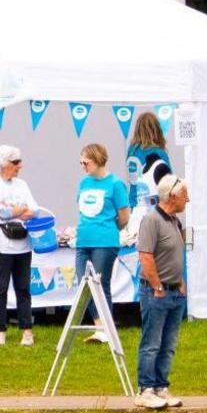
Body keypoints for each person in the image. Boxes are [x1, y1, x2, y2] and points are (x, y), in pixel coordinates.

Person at [134, 175, 191, 410]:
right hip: (156, 291)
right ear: (174, 196)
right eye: (185, 195)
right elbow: (146, 256)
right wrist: (157, 286)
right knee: (152, 342)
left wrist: (179, 282)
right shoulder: (151, 220)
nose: (188, 200)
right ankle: (145, 389)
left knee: (168, 343)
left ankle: (161, 386)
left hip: (174, 290)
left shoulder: (175, 221)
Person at [0, 146, 42, 347]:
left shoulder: (22, 184)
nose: (20, 166)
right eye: (15, 162)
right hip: (0, 242)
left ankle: (26, 330)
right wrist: (17, 211)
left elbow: (34, 210)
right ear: (3, 164)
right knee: (1, 286)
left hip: (22, 242)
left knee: (23, 287)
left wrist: (14, 211)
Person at [69, 145, 132, 344]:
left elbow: (124, 216)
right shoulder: (83, 182)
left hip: (105, 240)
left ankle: (104, 329)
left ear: (97, 160)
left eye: (85, 163)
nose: (83, 166)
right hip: (84, 239)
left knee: (100, 283)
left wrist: (109, 229)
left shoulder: (115, 184)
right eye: (80, 163)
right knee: (84, 283)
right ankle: (101, 326)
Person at [125, 111, 173, 212]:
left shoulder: (131, 150)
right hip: (154, 204)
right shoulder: (158, 153)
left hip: (134, 202)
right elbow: (169, 182)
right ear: (156, 129)